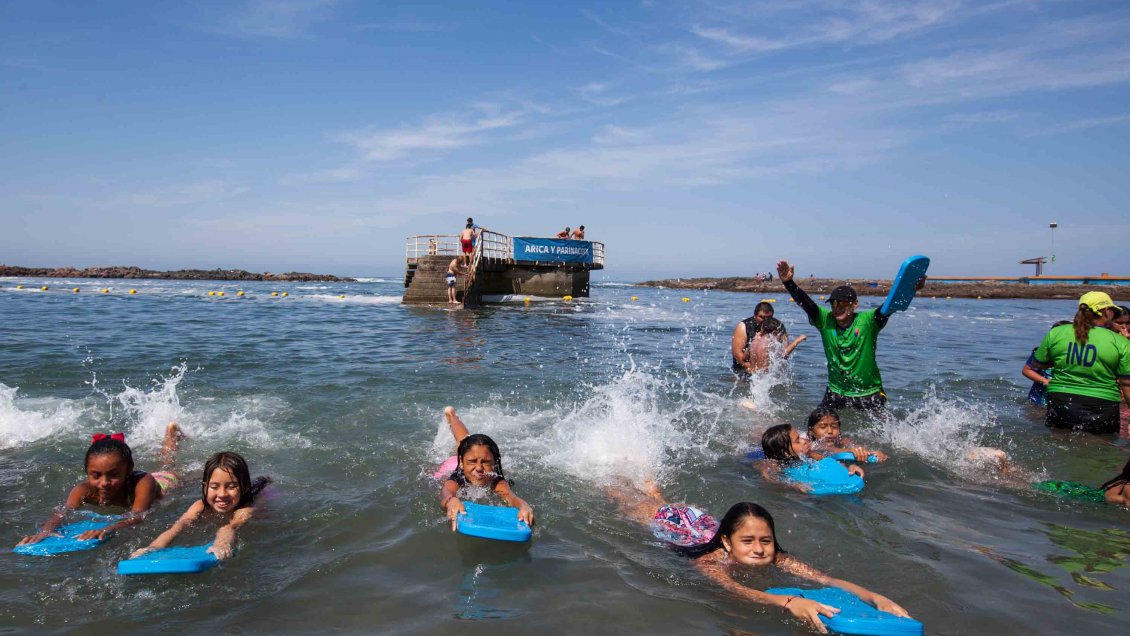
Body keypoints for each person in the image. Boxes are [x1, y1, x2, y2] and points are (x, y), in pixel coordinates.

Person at [611, 484, 911, 633]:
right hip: (676, 529)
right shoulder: (709, 562)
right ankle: (614, 484)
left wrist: (875, 597)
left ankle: (655, 491)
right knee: (635, 506)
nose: (759, 549)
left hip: (704, 524)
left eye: (765, 541)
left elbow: (825, 579)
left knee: (663, 500)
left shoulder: (776, 557)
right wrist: (789, 602)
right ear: (728, 543)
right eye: (749, 542)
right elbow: (735, 590)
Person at [776, 260, 924, 412]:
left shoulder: (868, 322)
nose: (838, 309)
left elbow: (890, 306)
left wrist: (911, 289)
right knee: (815, 428)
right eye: (834, 304)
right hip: (836, 392)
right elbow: (806, 303)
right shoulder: (825, 320)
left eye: (843, 304)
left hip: (869, 392)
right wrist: (789, 282)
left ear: (855, 305)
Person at [16, 423, 182, 547]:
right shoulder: (83, 490)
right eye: (96, 475)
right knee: (165, 463)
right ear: (87, 472)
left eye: (114, 475)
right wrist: (45, 532)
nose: (104, 483)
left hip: (165, 482)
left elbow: (138, 515)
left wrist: (109, 528)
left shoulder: (143, 482)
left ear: (129, 469)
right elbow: (61, 513)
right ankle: (172, 434)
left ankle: (172, 433)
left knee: (167, 467)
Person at [131, 452, 270, 560]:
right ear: (204, 487)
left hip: (265, 494)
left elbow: (232, 525)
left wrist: (222, 543)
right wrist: (152, 548)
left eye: (232, 487)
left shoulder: (246, 508)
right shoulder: (200, 506)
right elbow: (179, 525)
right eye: (214, 487)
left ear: (244, 487)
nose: (222, 494)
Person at [1028, 292, 1130, 434]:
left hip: (1061, 401)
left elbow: (1037, 364)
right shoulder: (1121, 342)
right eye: (1112, 310)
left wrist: (1063, 361)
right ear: (1106, 311)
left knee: (1061, 445)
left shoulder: (1057, 332)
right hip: (1103, 405)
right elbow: (1126, 384)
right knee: (1101, 449)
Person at [438, 407, 534, 529]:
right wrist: (451, 501)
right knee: (462, 441)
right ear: (461, 463)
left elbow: (511, 497)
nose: (479, 468)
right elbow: (445, 493)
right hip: (452, 464)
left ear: (494, 463)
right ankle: (452, 416)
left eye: (486, 462)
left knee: (465, 443)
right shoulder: (456, 478)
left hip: (467, 460)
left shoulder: (496, 481)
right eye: (473, 462)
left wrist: (523, 506)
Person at [758, 423, 864, 492]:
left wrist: (850, 467)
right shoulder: (773, 464)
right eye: (797, 440)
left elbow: (830, 462)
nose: (804, 440)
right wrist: (793, 486)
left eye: (800, 437)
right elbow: (769, 479)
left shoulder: (809, 454)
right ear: (785, 452)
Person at [731, 302, 806, 378]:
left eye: (768, 317)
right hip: (744, 371)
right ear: (755, 315)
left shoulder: (777, 326)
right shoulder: (743, 326)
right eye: (762, 317)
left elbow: (784, 355)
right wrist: (754, 368)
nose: (765, 320)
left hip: (762, 372)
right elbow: (738, 356)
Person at [806, 407, 887, 462]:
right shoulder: (806, 443)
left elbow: (858, 448)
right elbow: (828, 449)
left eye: (834, 427)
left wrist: (870, 453)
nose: (830, 431)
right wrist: (851, 451)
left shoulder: (843, 441)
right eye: (823, 427)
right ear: (811, 431)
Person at [1022, 320, 1071, 406]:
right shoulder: (1041, 353)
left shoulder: (1073, 357)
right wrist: (1045, 380)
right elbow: (1026, 370)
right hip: (1038, 399)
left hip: (1060, 400)